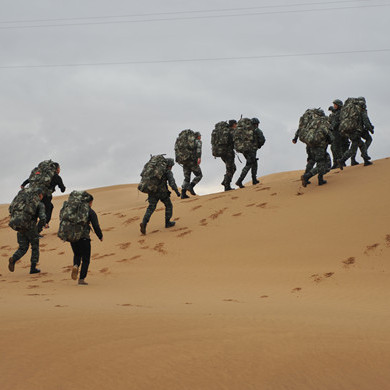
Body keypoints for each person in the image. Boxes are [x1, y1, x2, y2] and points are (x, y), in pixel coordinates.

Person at [8, 188, 46, 274]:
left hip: (20, 226)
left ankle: (13, 259)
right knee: (35, 247)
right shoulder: (39, 204)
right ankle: (33, 268)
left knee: (23, 247)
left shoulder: (22, 203)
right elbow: (43, 218)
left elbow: (10, 210)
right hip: (31, 227)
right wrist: (38, 230)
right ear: (40, 195)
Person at [140, 158, 181, 235]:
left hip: (152, 191)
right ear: (169, 165)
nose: (172, 167)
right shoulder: (167, 171)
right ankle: (167, 223)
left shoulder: (156, 170)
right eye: (172, 166)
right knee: (168, 205)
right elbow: (172, 183)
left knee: (151, 208)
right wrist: (177, 192)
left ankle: (144, 223)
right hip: (162, 193)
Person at [21, 162, 66, 233]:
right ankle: (39, 229)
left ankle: (30, 230)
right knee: (47, 211)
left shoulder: (40, 174)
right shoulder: (56, 176)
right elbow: (63, 190)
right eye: (59, 168)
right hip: (45, 197)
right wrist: (61, 187)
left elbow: (30, 179)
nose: (59, 170)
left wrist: (23, 184)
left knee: (35, 212)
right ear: (57, 169)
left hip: (33, 195)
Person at [70, 194, 103, 285]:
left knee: (77, 254)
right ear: (90, 202)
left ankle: (76, 265)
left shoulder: (74, 209)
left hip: (72, 237)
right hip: (84, 237)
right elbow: (95, 225)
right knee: (86, 259)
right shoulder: (90, 211)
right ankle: (81, 279)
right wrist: (100, 236)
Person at [235, 117, 265, 188]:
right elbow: (262, 139)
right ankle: (239, 181)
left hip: (243, 149)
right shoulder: (256, 130)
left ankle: (254, 180)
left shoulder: (244, 130)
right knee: (249, 164)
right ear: (256, 124)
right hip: (252, 149)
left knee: (254, 162)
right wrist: (258, 146)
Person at [181, 132, 203, 199]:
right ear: (198, 136)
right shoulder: (198, 142)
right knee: (199, 175)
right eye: (200, 136)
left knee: (187, 178)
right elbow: (198, 150)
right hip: (192, 161)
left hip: (185, 161)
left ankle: (183, 194)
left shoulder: (187, 142)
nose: (200, 137)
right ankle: (191, 186)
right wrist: (199, 158)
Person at [328, 99, 349, 168]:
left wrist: (332, 126)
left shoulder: (341, 113)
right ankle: (335, 163)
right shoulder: (334, 113)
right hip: (334, 133)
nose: (334, 106)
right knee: (333, 148)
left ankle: (341, 162)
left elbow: (337, 122)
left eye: (335, 105)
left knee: (338, 148)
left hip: (339, 133)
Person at [220, 119, 237, 191]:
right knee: (230, 169)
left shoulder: (224, 131)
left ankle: (225, 181)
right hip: (229, 152)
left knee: (232, 168)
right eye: (236, 124)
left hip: (222, 153)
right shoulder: (231, 131)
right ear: (233, 124)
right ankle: (227, 186)